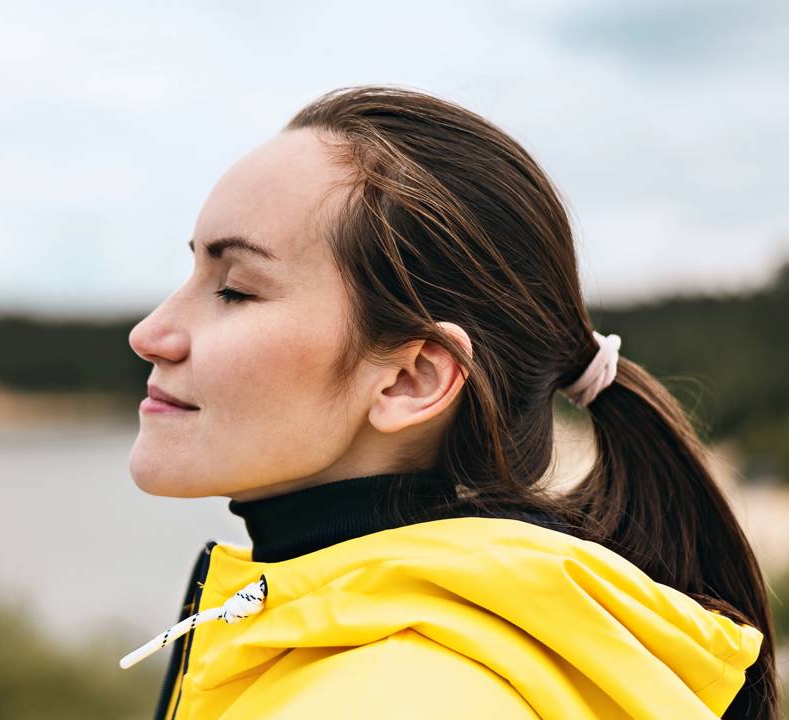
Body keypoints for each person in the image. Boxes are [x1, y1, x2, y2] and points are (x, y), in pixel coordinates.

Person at [121, 85, 777, 719]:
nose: (150, 333)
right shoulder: (458, 650)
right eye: (195, 272)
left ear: (413, 379)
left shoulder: (387, 699)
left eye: (234, 288)